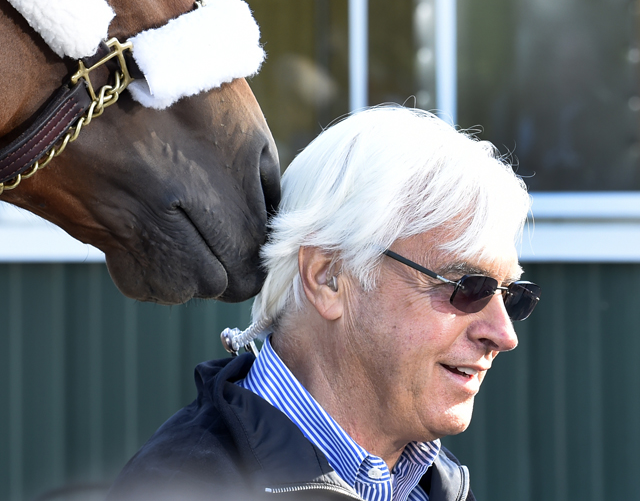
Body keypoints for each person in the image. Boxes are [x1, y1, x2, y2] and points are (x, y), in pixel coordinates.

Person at [109, 106, 536, 501]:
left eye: (510, 294)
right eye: (467, 286)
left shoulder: (434, 486)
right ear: (328, 277)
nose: (503, 334)